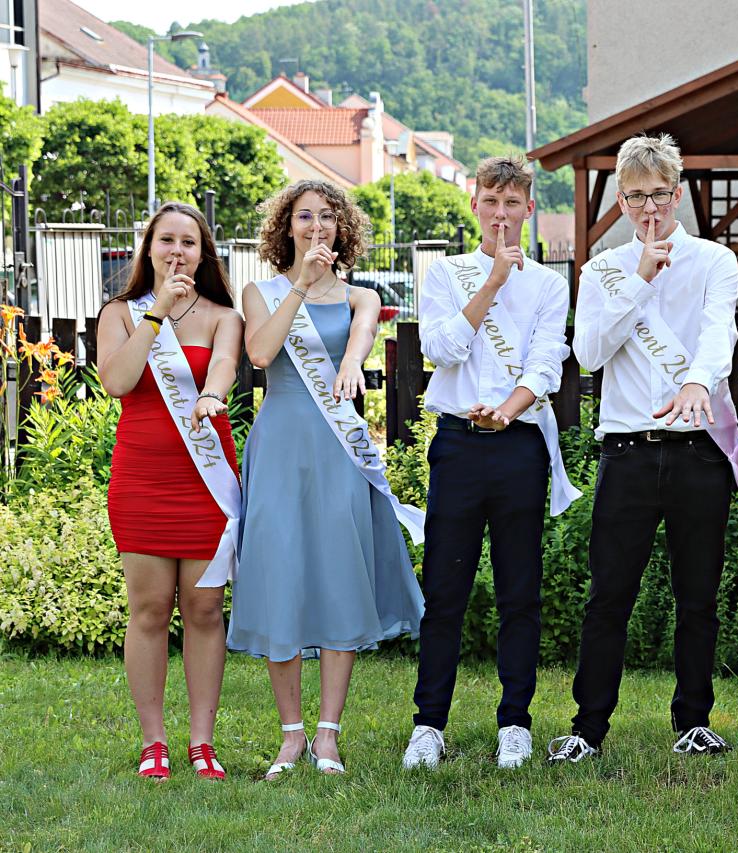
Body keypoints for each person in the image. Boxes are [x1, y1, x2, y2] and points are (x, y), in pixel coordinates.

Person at [546, 133, 738, 763]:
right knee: (609, 595)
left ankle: (694, 720)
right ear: (620, 199)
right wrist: (638, 279)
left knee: (698, 595)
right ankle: (587, 728)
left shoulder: (715, 261)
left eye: (659, 194)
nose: (649, 208)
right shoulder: (602, 269)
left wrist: (698, 381)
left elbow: (720, 333)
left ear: (678, 192)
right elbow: (589, 353)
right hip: (628, 452)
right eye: (635, 196)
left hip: (698, 450)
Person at [227, 180, 425, 779]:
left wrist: (349, 363)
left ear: (342, 229)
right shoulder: (260, 291)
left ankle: (328, 734)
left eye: (328, 217)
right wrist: (302, 286)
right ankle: (290, 735)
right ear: (286, 226)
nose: (317, 225)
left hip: (338, 449)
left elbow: (360, 341)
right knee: (280, 575)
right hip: (281, 449)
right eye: (304, 216)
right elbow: (261, 354)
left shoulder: (362, 296)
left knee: (341, 575)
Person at [402, 155, 577, 771]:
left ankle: (515, 722)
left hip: (518, 443)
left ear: (529, 208)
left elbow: (547, 364)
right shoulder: (446, 273)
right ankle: (429, 724)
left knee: (518, 591)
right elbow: (440, 348)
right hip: (456, 444)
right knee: (444, 590)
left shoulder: (549, 285)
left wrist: (507, 410)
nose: (501, 215)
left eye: (512, 204)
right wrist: (493, 283)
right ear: (474, 204)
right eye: (491, 202)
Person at [98, 201, 244, 781]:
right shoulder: (121, 313)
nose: (177, 251)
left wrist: (211, 395)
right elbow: (118, 380)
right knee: (150, 608)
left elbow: (224, 366)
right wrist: (155, 313)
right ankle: (153, 741)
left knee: (205, 609)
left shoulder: (223, 315)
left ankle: (202, 743)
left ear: (203, 253)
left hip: (206, 478)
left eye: (189, 242)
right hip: (143, 478)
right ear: (150, 248)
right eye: (167, 240)